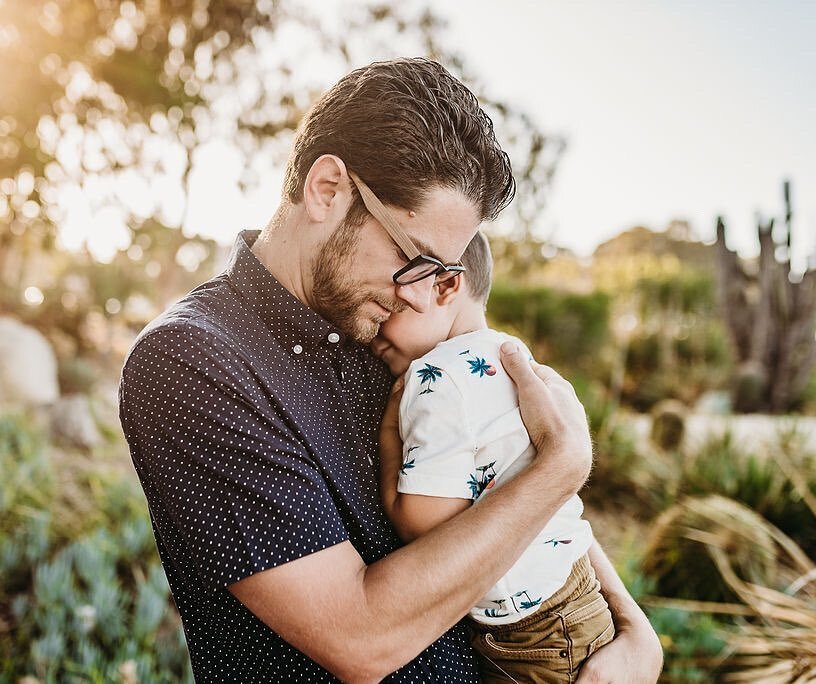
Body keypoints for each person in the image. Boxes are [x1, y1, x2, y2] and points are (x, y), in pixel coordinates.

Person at [119, 57, 662, 682]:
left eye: (441, 275)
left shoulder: (387, 327)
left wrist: (631, 631)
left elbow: (509, 463)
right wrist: (563, 466)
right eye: (416, 259)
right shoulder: (192, 364)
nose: (419, 294)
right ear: (328, 190)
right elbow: (359, 639)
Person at [373, 232, 614, 682]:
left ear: (445, 287)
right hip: (576, 592)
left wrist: (389, 438)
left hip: (533, 633)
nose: (374, 335)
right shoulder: (510, 352)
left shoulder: (432, 376)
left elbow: (420, 523)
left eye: (388, 308)